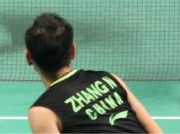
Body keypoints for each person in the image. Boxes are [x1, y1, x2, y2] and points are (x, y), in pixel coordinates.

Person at [25, 13, 163, 133]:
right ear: (73, 51)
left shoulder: (42, 112)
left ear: (29, 57)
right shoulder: (110, 79)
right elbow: (154, 129)